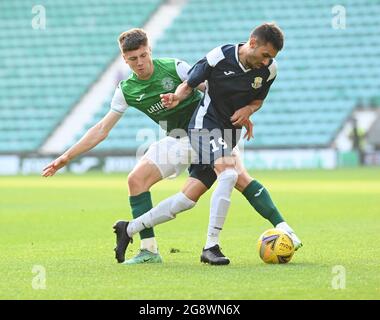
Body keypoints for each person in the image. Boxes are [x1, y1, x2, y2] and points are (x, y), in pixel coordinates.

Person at [42, 28, 251, 264]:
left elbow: (213, 92)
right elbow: (101, 130)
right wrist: (66, 157)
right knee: (137, 180)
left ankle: (283, 230)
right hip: (177, 139)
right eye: (133, 59)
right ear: (124, 59)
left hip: (206, 134)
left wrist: (243, 113)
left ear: (149, 49)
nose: (140, 63)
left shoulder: (175, 67)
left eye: (143, 55)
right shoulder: (127, 90)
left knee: (240, 180)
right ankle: (149, 250)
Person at [114, 23, 302, 266]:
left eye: (271, 58)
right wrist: (176, 97)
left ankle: (128, 228)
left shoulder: (269, 70)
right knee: (230, 175)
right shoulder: (219, 57)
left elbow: (258, 101)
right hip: (204, 125)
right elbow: (189, 84)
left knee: (186, 200)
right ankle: (211, 246)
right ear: (252, 43)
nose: (267, 62)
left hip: (228, 133)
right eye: (265, 55)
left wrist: (248, 109)